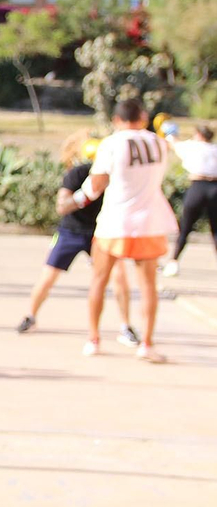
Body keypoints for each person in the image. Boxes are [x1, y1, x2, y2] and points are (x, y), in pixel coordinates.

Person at [72, 99, 179, 361]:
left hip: (115, 221)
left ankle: (94, 338)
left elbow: (96, 183)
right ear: (142, 118)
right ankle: (147, 343)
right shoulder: (159, 143)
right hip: (149, 221)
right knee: (148, 286)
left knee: (99, 280)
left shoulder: (111, 143)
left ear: (117, 120)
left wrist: (75, 199)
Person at [16, 132, 137, 343]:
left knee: (119, 276)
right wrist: (85, 194)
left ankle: (126, 326)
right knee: (49, 275)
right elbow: (61, 206)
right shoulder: (78, 174)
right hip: (70, 231)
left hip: (101, 232)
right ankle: (31, 316)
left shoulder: (115, 176)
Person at [165, 122, 217, 277]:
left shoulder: (193, 147)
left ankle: (173, 261)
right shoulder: (214, 149)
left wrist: (170, 133)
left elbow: (174, 144)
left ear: (199, 135)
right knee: (216, 230)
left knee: (185, 227)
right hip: (215, 187)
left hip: (198, 186)